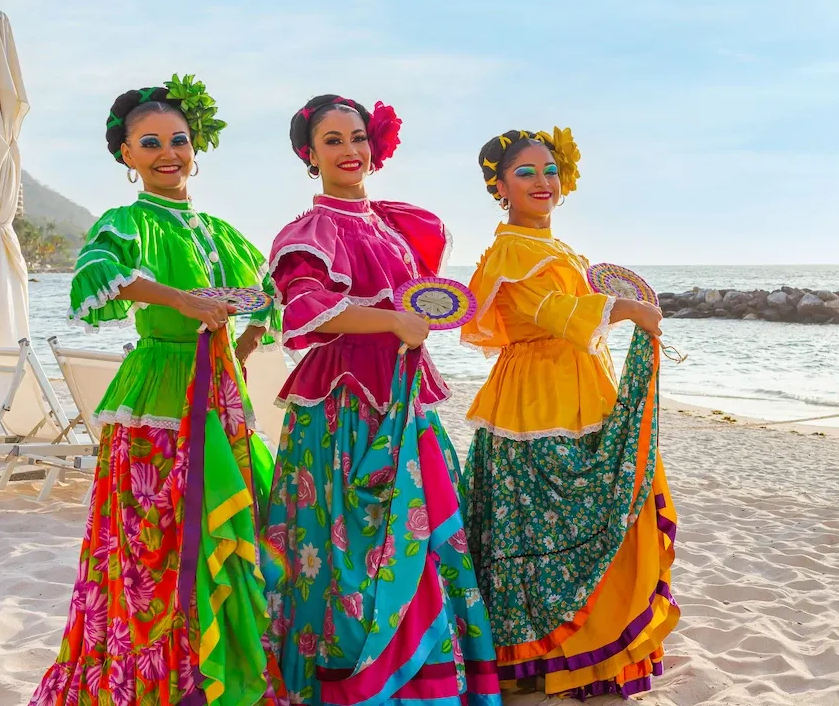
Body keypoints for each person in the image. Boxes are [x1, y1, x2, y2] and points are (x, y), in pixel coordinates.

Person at [30, 76, 285, 705]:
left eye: (179, 140)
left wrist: (245, 348)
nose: (168, 152)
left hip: (221, 388)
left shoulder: (222, 231)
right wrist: (183, 301)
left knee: (232, 525)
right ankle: (159, 678)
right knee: (155, 539)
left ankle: (224, 666)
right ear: (127, 156)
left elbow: (273, 291)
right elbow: (100, 276)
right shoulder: (129, 220)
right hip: (159, 390)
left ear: (195, 147)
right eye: (151, 143)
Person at [259, 94, 500, 706]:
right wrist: (391, 324)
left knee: (416, 534)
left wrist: (405, 323)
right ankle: (351, 675)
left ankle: (422, 677)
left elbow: (414, 296)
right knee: (347, 540)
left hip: (406, 391)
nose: (349, 151)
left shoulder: (389, 226)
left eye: (358, 137)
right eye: (333, 140)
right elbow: (304, 310)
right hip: (343, 400)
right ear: (308, 155)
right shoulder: (310, 231)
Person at [461, 128, 680, 698]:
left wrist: (618, 309)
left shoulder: (561, 249)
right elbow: (547, 309)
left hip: (586, 385)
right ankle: (544, 664)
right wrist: (624, 307)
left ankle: (596, 656)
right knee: (539, 521)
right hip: (534, 398)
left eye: (550, 170)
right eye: (526, 172)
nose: (543, 181)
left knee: (607, 513)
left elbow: (575, 312)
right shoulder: (510, 250)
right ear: (500, 186)